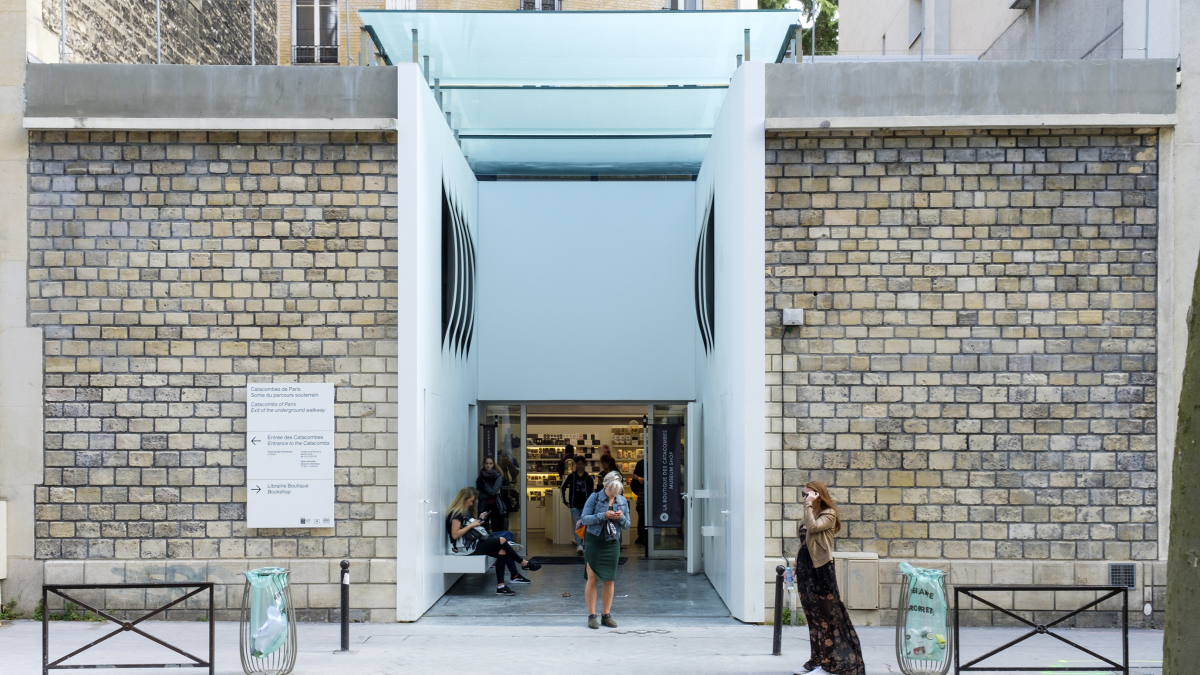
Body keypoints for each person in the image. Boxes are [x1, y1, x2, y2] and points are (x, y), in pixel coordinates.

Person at [792, 481, 865, 675]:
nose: (805, 498)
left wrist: (808, 506)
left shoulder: (829, 515)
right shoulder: (808, 514)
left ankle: (830, 665)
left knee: (825, 619)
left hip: (821, 570)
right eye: (803, 495)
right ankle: (816, 661)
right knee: (813, 618)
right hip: (805, 570)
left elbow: (814, 528)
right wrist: (794, 567)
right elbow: (803, 543)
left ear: (819, 496)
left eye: (808, 495)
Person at [446, 487, 541, 595]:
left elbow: (469, 529)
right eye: (470, 501)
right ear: (463, 500)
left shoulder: (464, 512)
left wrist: (480, 520)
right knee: (502, 540)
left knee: (502, 552)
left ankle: (501, 586)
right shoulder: (456, 514)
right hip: (465, 548)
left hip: (472, 544)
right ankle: (523, 563)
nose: (472, 504)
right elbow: (455, 535)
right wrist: (472, 524)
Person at [580, 471, 630, 629]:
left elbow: (627, 525)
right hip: (594, 541)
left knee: (609, 579)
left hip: (612, 543)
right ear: (604, 485)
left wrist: (620, 517)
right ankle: (592, 615)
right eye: (611, 492)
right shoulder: (594, 498)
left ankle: (606, 615)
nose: (613, 496)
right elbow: (584, 519)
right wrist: (603, 515)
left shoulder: (622, 501)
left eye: (616, 493)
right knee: (592, 578)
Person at [560, 459, 595, 554]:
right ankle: (579, 545)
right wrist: (565, 501)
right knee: (577, 524)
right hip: (574, 505)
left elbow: (592, 492)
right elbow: (563, 487)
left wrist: (592, 505)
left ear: (584, 465)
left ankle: (584, 544)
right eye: (578, 464)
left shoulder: (588, 478)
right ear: (576, 465)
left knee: (585, 525)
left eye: (582, 464)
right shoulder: (571, 476)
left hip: (586, 506)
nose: (580, 466)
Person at [475, 457, 507, 535]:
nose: (488, 465)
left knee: (497, 530)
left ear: (493, 464)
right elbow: (479, 496)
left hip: (496, 507)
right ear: (483, 464)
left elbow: (492, 492)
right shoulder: (480, 478)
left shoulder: (497, 477)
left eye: (490, 463)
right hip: (483, 507)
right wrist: (491, 494)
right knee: (483, 530)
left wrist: (486, 482)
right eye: (486, 463)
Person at [631, 458, 646, 544]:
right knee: (641, 514)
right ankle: (641, 535)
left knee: (647, 515)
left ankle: (646, 536)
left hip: (651, 492)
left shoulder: (655, 462)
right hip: (641, 491)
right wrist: (639, 478)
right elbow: (634, 475)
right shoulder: (640, 463)